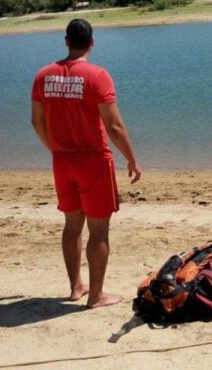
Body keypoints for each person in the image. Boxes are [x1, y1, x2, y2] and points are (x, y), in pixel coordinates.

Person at [31, 18, 141, 308]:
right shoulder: (97, 76)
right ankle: (96, 295)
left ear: (66, 41)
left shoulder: (43, 76)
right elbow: (114, 126)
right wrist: (131, 158)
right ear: (92, 42)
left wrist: (55, 149)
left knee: (72, 227)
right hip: (93, 161)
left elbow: (37, 123)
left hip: (62, 161)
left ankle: (76, 287)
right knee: (99, 230)